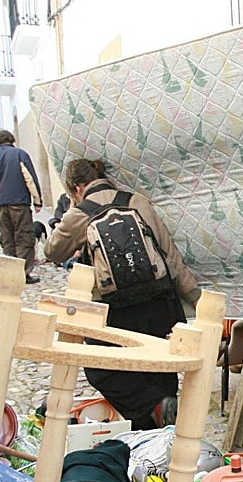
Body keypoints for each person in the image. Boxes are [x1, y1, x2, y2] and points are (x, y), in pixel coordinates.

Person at [44, 158, 200, 430]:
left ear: (77, 188)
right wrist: (195, 296)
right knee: (159, 370)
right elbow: (168, 252)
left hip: (116, 310)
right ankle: (164, 426)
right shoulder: (137, 201)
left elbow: (52, 252)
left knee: (101, 368)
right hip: (160, 302)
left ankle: (149, 421)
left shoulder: (79, 214)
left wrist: (72, 209)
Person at [0, 129, 43, 283]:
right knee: (24, 236)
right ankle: (23, 273)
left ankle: (10, 270)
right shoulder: (19, 154)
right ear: (12, 140)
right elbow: (29, 178)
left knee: (7, 237)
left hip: (0, 204)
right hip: (18, 201)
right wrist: (37, 200)